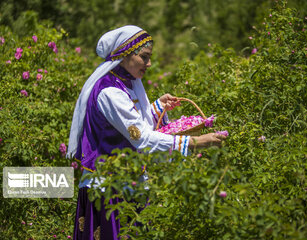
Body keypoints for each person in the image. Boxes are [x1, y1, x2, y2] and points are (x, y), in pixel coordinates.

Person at [67, 25, 226, 239]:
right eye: (144, 57)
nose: (148, 64)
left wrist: (157, 107)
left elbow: (129, 123)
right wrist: (195, 142)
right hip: (108, 190)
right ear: (124, 55)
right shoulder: (110, 92)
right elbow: (140, 136)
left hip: (125, 182)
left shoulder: (125, 83)